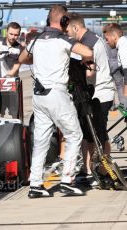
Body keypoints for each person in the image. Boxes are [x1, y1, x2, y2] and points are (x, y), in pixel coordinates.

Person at [18, 5, 93, 198]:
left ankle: (35, 185)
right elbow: (88, 52)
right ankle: (67, 181)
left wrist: (42, 60)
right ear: (64, 21)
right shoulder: (63, 39)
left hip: (39, 96)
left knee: (41, 140)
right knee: (74, 135)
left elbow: (22, 58)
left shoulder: (36, 41)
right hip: (57, 95)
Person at [65, 13, 115, 181]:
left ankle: (98, 170)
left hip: (98, 94)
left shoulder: (88, 42)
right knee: (92, 133)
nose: (67, 33)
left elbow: (90, 71)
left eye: (68, 30)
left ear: (75, 27)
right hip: (98, 93)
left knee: (96, 134)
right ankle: (91, 169)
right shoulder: (92, 38)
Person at [103, 23, 127, 98]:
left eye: (107, 39)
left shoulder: (123, 47)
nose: (106, 42)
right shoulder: (123, 44)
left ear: (114, 36)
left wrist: (125, 97)